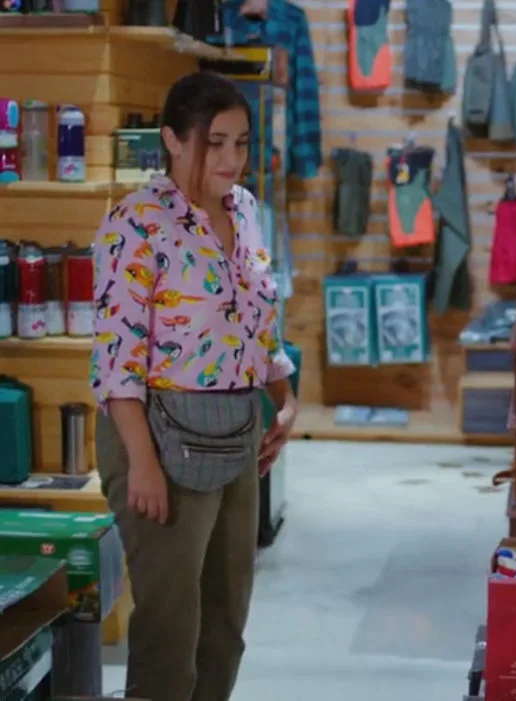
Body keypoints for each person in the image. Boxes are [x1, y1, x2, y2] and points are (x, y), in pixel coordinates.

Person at [90, 71, 298, 701]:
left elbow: (257, 319)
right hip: (157, 435)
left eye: (241, 143)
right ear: (173, 140)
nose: (231, 159)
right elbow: (117, 360)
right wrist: (142, 464)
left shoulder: (245, 210)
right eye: (215, 143)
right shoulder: (136, 223)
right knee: (170, 631)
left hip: (239, 431)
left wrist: (285, 399)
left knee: (226, 624)